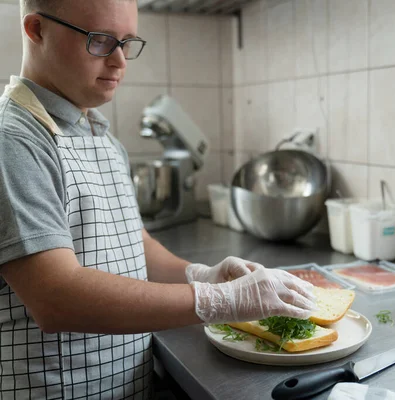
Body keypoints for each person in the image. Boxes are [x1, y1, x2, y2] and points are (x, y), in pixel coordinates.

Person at [0, 1, 315, 398]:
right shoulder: (15, 141)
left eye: (127, 42)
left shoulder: (100, 135)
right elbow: (55, 297)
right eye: (100, 41)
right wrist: (215, 300)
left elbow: (135, 243)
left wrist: (200, 274)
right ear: (36, 30)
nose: (119, 62)